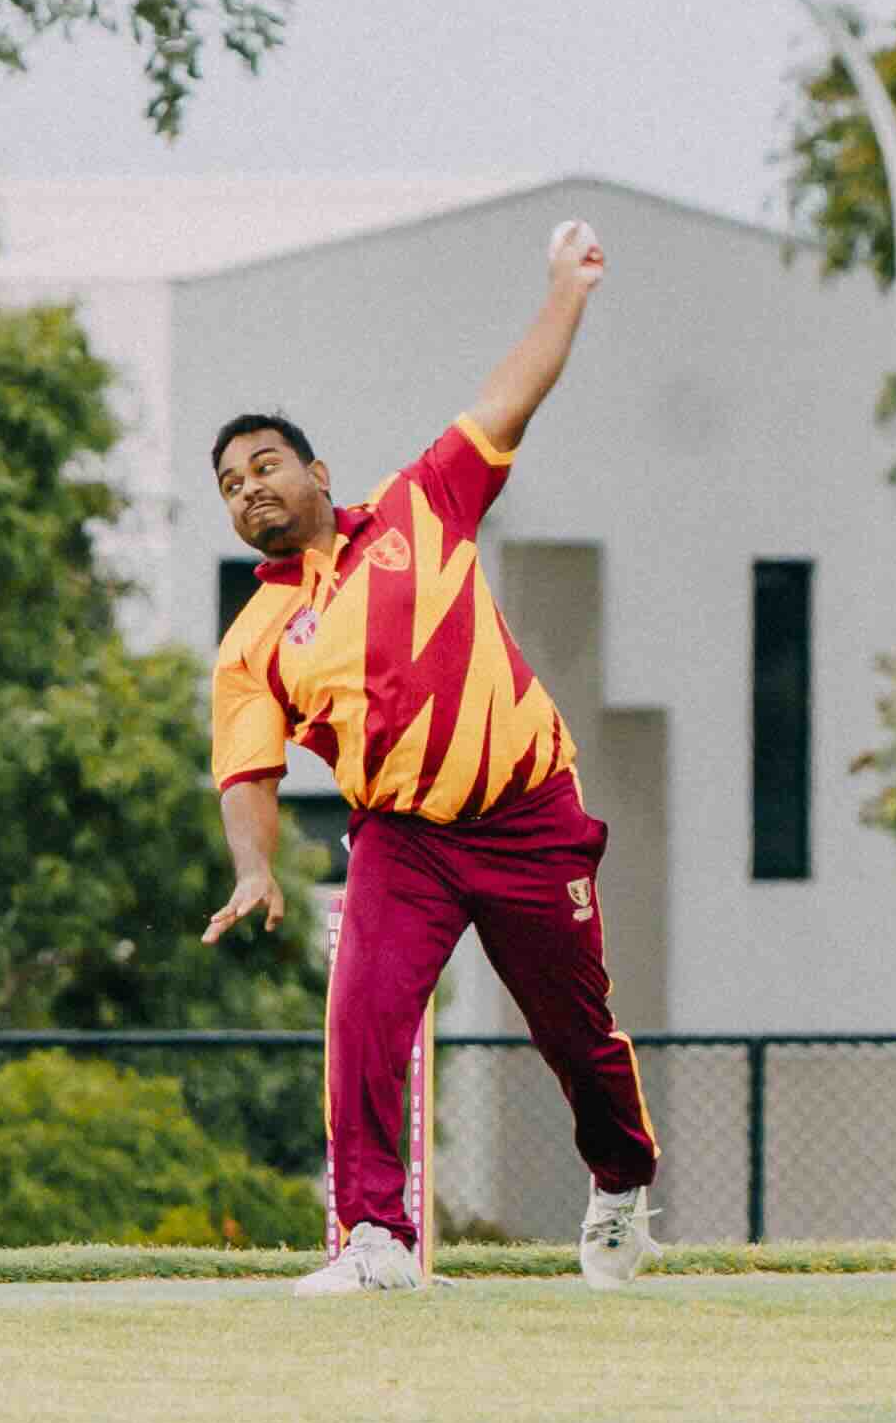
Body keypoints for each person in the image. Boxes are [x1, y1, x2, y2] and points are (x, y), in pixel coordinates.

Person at [202, 220, 660, 1293]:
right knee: (362, 1013)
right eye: (229, 484)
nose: (250, 488)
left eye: (265, 464)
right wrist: (254, 865)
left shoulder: (422, 505)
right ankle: (375, 1242)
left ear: (316, 471)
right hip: (402, 838)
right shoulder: (251, 640)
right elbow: (247, 773)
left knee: (574, 1031)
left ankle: (621, 1185)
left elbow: (512, 393)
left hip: (526, 810)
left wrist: (567, 290)